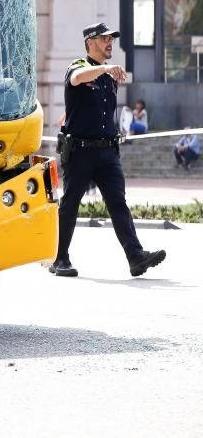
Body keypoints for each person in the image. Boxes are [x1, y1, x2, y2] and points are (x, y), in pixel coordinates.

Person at [53, 22, 166, 279]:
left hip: (107, 153)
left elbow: (86, 107)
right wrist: (105, 68)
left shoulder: (107, 77)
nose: (109, 43)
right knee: (70, 205)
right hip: (80, 153)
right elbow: (76, 79)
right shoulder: (78, 66)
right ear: (90, 42)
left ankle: (135, 256)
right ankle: (60, 259)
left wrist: (71, 114)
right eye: (105, 39)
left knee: (118, 203)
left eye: (111, 39)